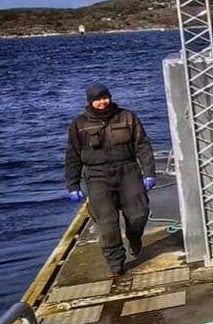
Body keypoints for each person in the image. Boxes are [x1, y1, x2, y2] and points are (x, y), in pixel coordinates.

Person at [63, 83, 157, 275]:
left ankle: (134, 236)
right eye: (97, 99)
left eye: (105, 97)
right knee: (107, 223)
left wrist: (149, 173)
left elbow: (142, 145)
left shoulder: (128, 117)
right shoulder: (79, 124)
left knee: (139, 213)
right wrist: (72, 184)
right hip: (97, 175)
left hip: (128, 170)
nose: (102, 102)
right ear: (90, 101)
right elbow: (72, 156)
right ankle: (116, 262)